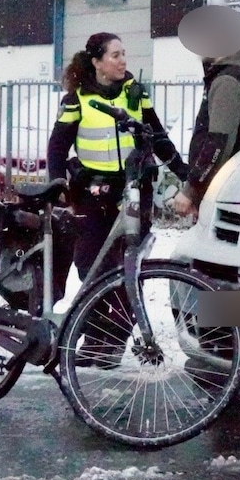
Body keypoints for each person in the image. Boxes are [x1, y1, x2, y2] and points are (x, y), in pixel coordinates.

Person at [46, 32, 188, 367]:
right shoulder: (77, 99)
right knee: (90, 268)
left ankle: (107, 343)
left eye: (124, 54)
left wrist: (185, 173)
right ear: (96, 62)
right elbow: (57, 146)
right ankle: (96, 333)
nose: (123, 60)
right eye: (114, 55)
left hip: (134, 192)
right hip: (93, 194)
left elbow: (158, 138)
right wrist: (57, 182)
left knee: (129, 271)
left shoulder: (136, 94)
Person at [170, 42, 240, 217]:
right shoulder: (238, 74)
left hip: (222, 190)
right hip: (231, 187)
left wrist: (192, 189)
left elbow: (218, 144)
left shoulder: (227, 81)